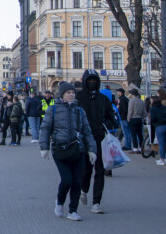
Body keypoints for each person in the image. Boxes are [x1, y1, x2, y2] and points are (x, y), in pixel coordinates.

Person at [40, 81, 97, 221]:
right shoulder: (53, 109)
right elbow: (45, 128)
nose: (71, 95)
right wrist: (44, 147)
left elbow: (87, 131)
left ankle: (73, 210)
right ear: (62, 95)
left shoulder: (79, 110)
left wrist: (92, 150)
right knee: (67, 180)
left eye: (73, 93)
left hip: (78, 149)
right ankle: (59, 202)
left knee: (77, 181)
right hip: (61, 149)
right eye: (68, 93)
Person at [76, 70, 116, 214]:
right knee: (86, 170)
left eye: (94, 80)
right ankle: (83, 190)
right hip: (84, 140)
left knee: (100, 170)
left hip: (100, 139)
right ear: (85, 81)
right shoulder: (78, 97)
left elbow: (112, 117)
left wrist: (106, 125)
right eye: (89, 80)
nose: (92, 83)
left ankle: (96, 202)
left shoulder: (103, 100)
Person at [150, 94, 166, 165]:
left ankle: (162, 159)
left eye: (151, 100)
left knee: (161, 144)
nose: (150, 101)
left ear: (153, 101)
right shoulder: (163, 107)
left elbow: (153, 118)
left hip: (159, 126)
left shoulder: (153, 108)